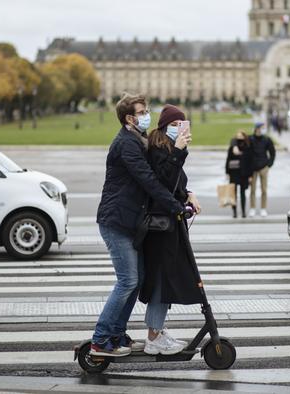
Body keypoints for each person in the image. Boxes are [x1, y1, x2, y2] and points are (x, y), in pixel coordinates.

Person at [92, 94, 187, 357]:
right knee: (128, 281)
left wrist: (185, 194)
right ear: (130, 118)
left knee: (137, 279)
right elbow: (149, 181)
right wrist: (174, 205)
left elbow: (159, 175)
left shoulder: (137, 140)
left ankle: (116, 333)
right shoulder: (127, 144)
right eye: (143, 111)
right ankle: (101, 339)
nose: (147, 115)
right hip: (116, 221)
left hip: (129, 221)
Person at [139, 104, 203, 355]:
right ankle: (153, 336)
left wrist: (189, 194)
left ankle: (157, 330)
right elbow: (162, 182)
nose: (179, 129)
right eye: (175, 125)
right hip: (159, 227)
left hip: (169, 223)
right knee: (162, 280)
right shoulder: (157, 149)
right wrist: (178, 152)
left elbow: (176, 183)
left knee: (166, 279)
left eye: (182, 124)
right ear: (165, 126)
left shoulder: (168, 147)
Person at [248, 121, 276, 218]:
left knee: (264, 189)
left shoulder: (267, 139)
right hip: (253, 168)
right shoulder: (250, 139)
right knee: (252, 190)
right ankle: (252, 208)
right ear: (256, 128)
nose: (261, 130)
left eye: (263, 128)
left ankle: (263, 208)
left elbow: (272, 152)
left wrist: (269, 164)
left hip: (264, 167)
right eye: (260, 128)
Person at [225, 131, 254, 218]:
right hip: (234, 173)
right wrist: (227, 172)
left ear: (244, 137)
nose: (239, 137)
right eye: (238, 136)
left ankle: (243, 212)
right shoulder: (233, 147)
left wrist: (250, 175)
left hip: (244, 173)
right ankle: (234, 212)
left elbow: (250, 162)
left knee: (243, 193)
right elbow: (228, 160)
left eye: (241, 135)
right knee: (233, 193)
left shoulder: (248, 147)